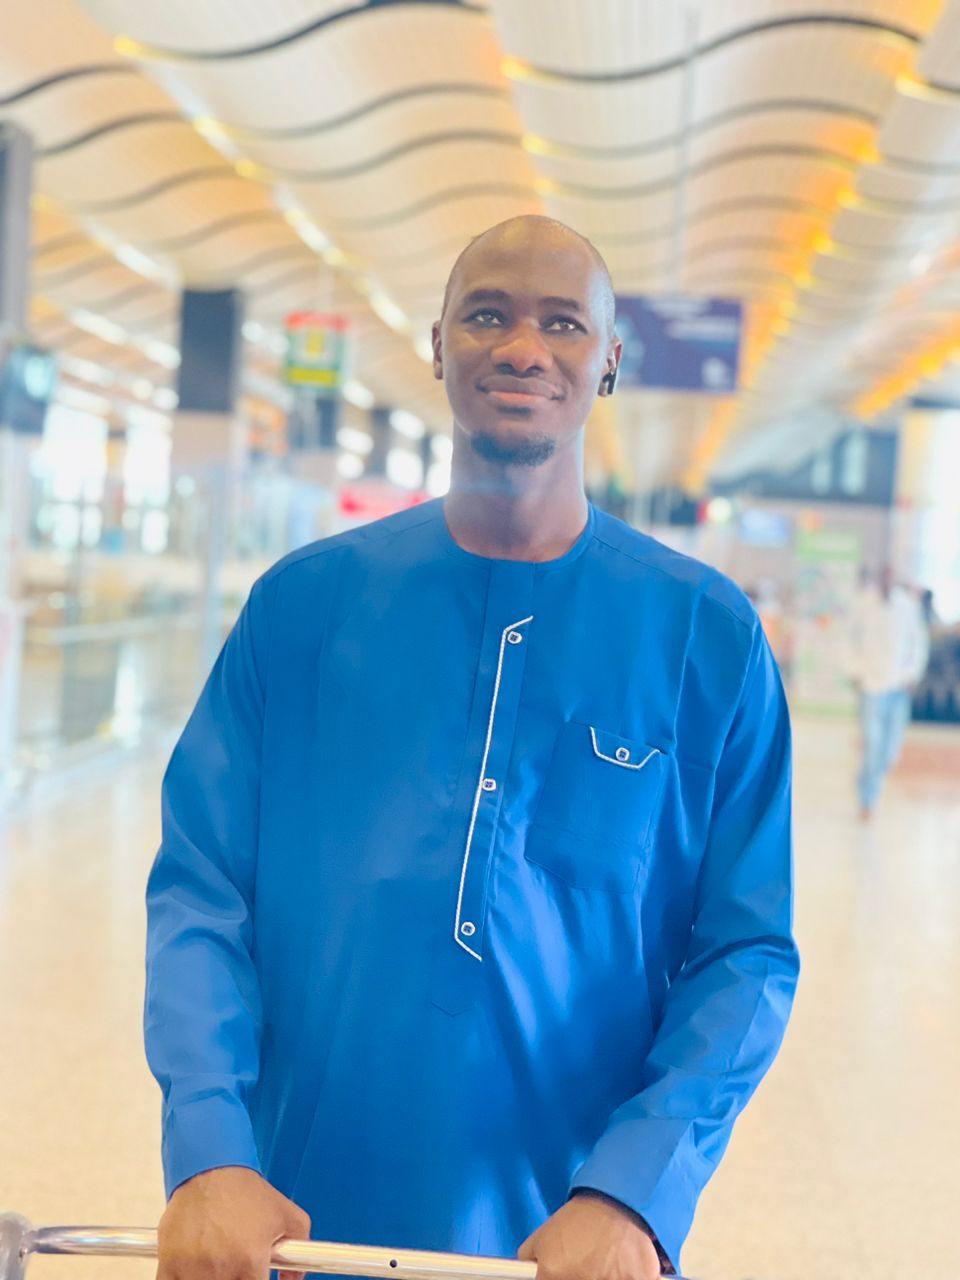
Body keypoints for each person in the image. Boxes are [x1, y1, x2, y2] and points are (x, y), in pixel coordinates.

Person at [146, 216, 799, 1280]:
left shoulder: (705, 639)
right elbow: (200, 890)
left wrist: (637, 1190)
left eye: (563, 323)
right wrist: (210, 1147)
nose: (524, 348)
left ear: (610, 360)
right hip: (293, 1224)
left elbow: (747, 952)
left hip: (565, 1239)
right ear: (439, 343)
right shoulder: (303, 609)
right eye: (488, 314)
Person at [847, 568, 930, 819]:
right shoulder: (864, 603)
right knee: (873, 745)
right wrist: (856, 671)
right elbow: (849, 639)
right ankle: (867, 798)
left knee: (890, 751)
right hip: (871, 686)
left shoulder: (908, 605)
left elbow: (918, 641)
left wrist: (912, 674)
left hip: (899, 686)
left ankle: (866, 780)